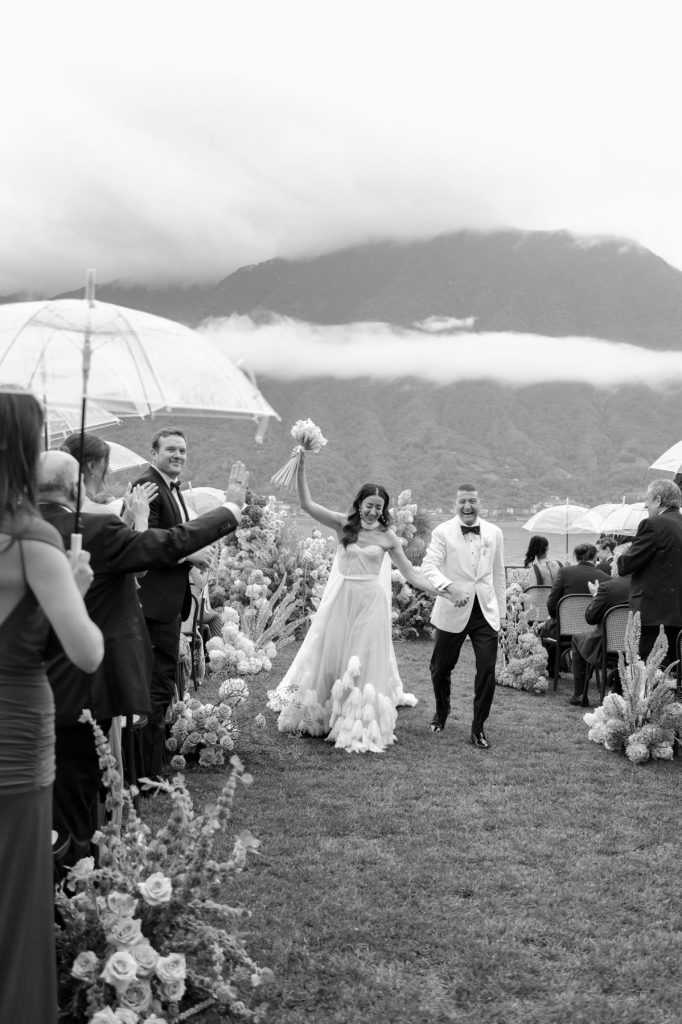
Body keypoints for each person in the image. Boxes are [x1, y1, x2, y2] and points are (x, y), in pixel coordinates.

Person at [39, 444, 247, 852]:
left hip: (27, 681)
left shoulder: (16, 533)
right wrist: (231, 509)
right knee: (77, 789)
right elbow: (170, 542)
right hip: (80, 681)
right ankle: (73, 868)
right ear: (76, 486)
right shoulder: (93, 531)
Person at [0, 388, 103, 1024]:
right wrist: (77, 585)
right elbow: (86, 653)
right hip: (15, 730)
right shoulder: (34, 541)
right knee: (17, 891)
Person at [267, 455, 450, 753]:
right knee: (331, 653)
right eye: (369, 505)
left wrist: (442, 591)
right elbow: (307, 505)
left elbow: (411, 574)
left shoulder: (387, 537)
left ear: (384, 510)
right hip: (343, 599)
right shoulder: (343, 524)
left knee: (362, 658)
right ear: (360, 504)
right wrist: (301, 469)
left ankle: (357, 722)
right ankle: (323, 714)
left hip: (371, 603)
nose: (374, 511)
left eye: (379, 507)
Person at [133, 429, 215, 776]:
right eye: (170, 449)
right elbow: (148, 541)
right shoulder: (148, 485)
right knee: (156, 685)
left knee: (163, 682)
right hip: (154, 602)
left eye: (182, 450)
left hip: (167, 601)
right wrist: (189, 555)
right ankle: (148, 771)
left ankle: (153, 762)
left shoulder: (172, 487)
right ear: (154, 453)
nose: (178, 455)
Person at [421, 484, 506, 749]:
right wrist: (449, 587)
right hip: (453, 608)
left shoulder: (494, 532)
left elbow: (499, 574)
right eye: (462, 502)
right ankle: (441, 712)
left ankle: (478, 727)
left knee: (487, 670)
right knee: (440, 668)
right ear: (455, 504)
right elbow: (429, 566)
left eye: (472, 501)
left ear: (480, 503)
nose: (467, 506)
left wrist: (501, 613)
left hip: (485, 612)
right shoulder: (442, 531)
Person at [617, 478, 682, 665]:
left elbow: (626, 566)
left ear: (658, 500)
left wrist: (621, 556)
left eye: (648, 500)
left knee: (647, 668)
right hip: (677, 611)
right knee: (673, 668)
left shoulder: (653, 524)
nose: (646, 505)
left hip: (653, 611)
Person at [568, 544, 631, 706]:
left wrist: (596, 595)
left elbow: (591, 618)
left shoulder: (608, 587)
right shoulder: (645, 587)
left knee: (577, 638)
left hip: (606, 644)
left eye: (614, 561)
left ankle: (579, 694)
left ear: (622, 563)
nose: (611, 565)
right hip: (635, 645)